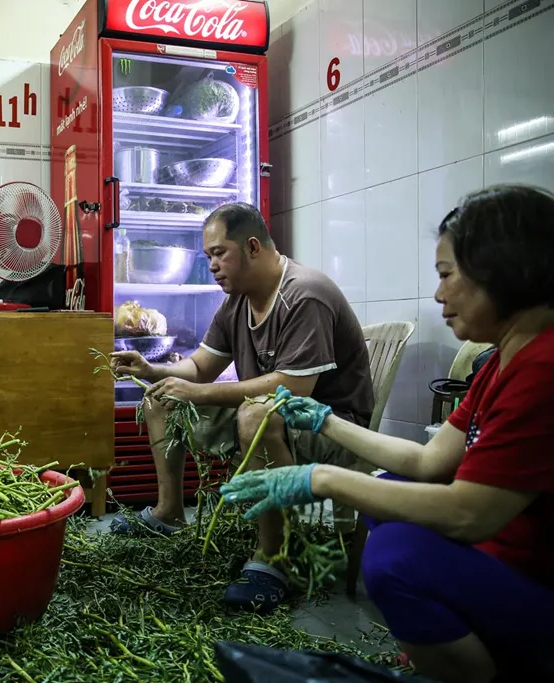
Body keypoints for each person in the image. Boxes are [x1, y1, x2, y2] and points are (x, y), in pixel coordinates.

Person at [219, 184, 554, 683]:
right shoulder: (503, 359)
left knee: (395, 558)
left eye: (446, 275)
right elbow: (427, 461)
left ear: (503, 269)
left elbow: (467, 514)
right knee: (388, 496)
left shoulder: (542, 367)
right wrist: (325, 419)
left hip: (534, 577)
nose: (438, 293)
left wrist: (322, 478)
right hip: (504, 553)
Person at [109, 202, 375, 612]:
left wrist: (198, 393)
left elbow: (294, 387)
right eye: (208, 257)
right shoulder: (237, 301)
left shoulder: (305, 294)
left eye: (219, 254)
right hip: (277, 416)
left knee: (258, 413)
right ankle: (169, 513)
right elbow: (200, 366)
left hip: (333, 427)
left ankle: (274, 557)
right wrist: (152, 369)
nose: (212, 266)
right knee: (159, 396)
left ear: (252, 246)